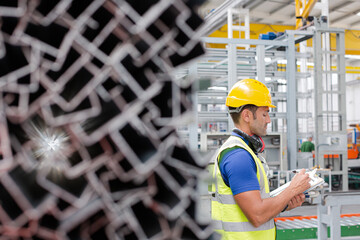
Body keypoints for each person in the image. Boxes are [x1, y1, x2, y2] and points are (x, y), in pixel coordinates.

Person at [211, 79, 311, 239]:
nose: (269, 120)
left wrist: (283, 203)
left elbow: (253, 208)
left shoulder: (245, 151)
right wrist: (293, 189)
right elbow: (257, 215)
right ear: (247, 115)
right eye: (264, 114)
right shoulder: (238, 157)